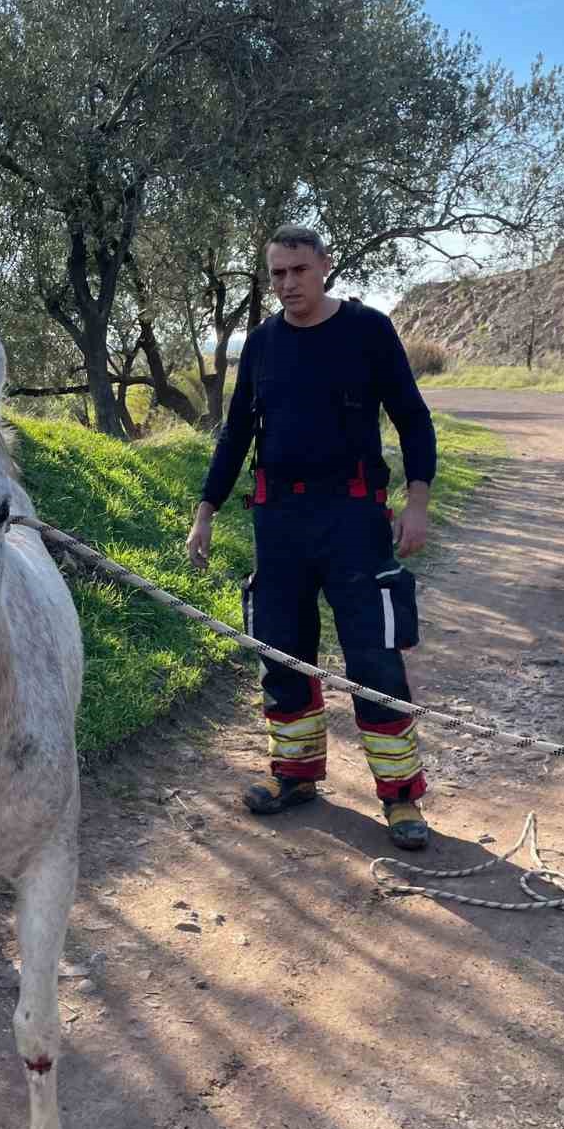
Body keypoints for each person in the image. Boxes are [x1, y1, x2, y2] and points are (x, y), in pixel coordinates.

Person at [185, 224, 436, 850]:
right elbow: (235, 434)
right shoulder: (262, 344)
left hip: (354, 519)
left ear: (325, 266)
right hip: (279, 523)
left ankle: (400, 797)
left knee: (374, 658)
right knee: (282, 651)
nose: (288, 283)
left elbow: (412, 417)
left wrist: (418, 503)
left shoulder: (368, 330)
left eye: (299, 270)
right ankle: (295, 777)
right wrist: (206, 510)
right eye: (277, 273)